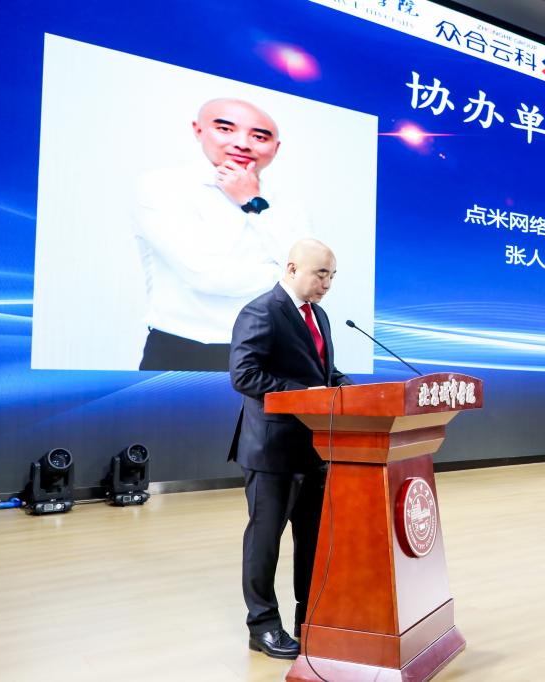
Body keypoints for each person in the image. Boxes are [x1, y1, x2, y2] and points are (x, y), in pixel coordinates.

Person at [228, 238, 352, 660]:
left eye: (332, 276)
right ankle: (262, 626)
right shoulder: (262, 311)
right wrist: (305, 394)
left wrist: (345, 388)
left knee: (313, 540)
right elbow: (245, 375)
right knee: (265, 541)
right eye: (321, 274)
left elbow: (322, 372)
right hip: (272, 450)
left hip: (313, 449)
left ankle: (310, 619)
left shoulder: (319, 315)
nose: (327, 284)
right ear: (293, 268)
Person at [134, 98, 305, 371]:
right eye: (225, 129)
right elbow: (209, 276)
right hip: (184, 352)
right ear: (198, 130)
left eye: (259, 136)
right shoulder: (163, 186)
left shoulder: (287, 202)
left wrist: (252, 200)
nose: (243, 144)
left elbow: (308, 277)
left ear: (276, 147)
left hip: (272, 352)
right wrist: (282, 274)